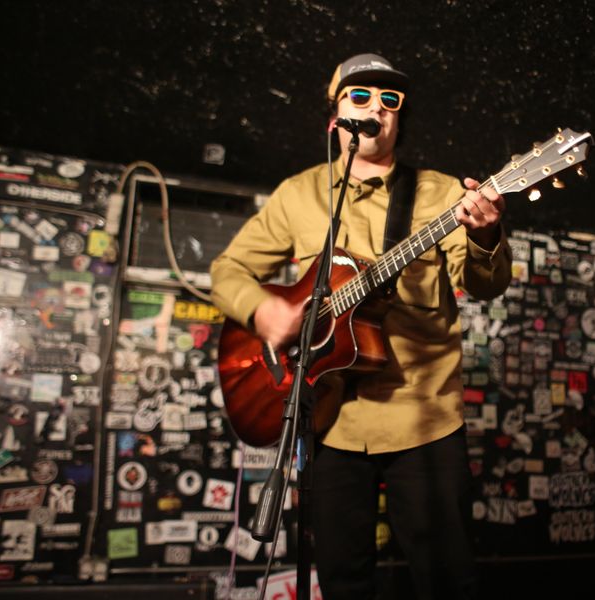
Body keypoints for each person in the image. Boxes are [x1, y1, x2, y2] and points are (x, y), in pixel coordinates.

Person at [210, 53, 512, 600]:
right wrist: (263, 311)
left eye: (390, 99)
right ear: (335, 116)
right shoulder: (299, 193)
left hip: (423, 419)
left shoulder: (440, 192)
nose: (377, 107)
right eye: (362, 96)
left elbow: (484, 283)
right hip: (330, 422)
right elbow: (227, 271)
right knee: (342, 582)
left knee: (447, 580)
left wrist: (486, 236)